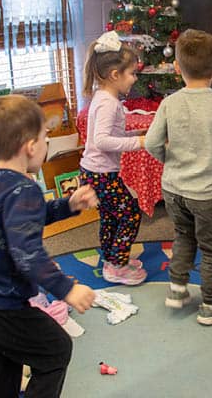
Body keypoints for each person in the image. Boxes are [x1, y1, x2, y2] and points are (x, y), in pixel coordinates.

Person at [0, 94, 97, 398]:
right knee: (56, 349)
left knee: (3, 372)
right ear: (31, 146)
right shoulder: (25, 189)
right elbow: (27, 253)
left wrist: (67, 205)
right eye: (46, 138)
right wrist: (66, 289)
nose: (46, 145)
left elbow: (21, 222)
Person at [145, 29, 212, 326]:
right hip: (207, 193)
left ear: (177, 68)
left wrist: (171, 161)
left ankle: (177, 289)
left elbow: (152, 142)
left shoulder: (169, 103)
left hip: (174, 190)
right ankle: (211, 305)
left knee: (183, 235)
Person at [79, 30, 148, 286]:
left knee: (110, 216)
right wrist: (138, 142)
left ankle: (111, 257)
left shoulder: (104, 98)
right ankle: (117, 265)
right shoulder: (108, 102)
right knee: (130, 213)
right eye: (132, 73)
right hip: (101, 174)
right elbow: (102, 141)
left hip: (93, 171)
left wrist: (135, 132)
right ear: (115, 75)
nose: (135, 78)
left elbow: (111, 133)